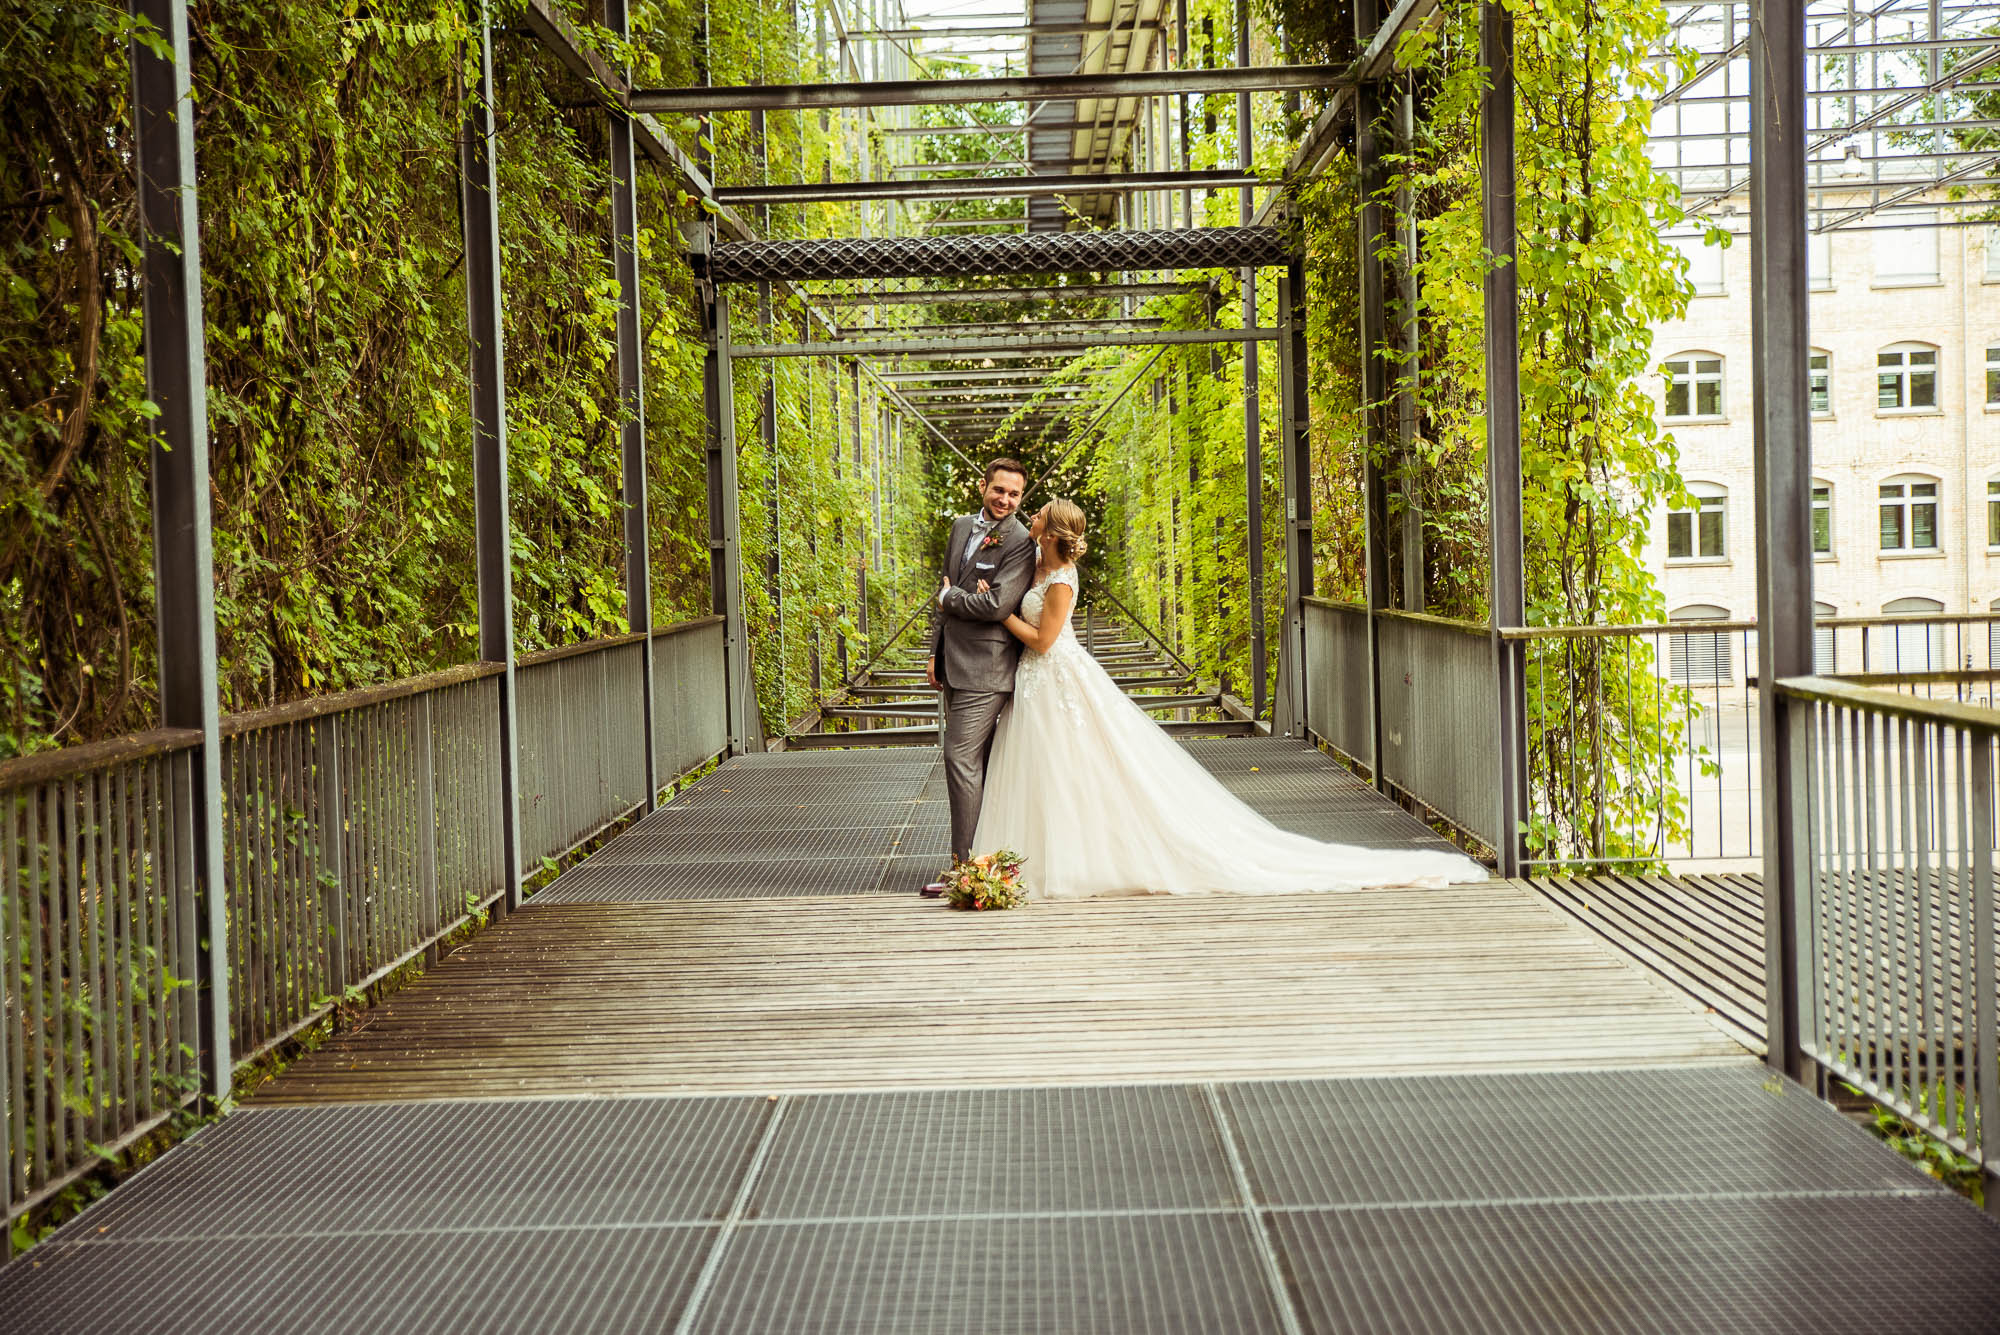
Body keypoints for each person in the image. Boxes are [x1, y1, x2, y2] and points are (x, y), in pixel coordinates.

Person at [962, 498, 1488, 899]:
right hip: (1037, 682)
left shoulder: (1060, 581)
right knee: (1055, 767)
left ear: (1051, 531)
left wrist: (998, 614)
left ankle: (1076, 858)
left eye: (1039, 515)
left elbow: (1045, 641)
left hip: (1054, 672)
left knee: (1077, 763)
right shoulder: (1035, 565)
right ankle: (1049, 852)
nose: (1030, 517)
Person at [922, 458, 1037, 893]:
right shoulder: (959, 527)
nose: (1005, 500)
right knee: (978, 764)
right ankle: (985, 863)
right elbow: (946, 587)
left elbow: (996, 606)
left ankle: (963, 870)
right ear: (983, 487)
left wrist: (950, 598)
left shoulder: (1021, 541)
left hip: (988, 668)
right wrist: (934, 652)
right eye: (999, 490)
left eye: (1014, 494)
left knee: (960, 759)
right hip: (953, 662)